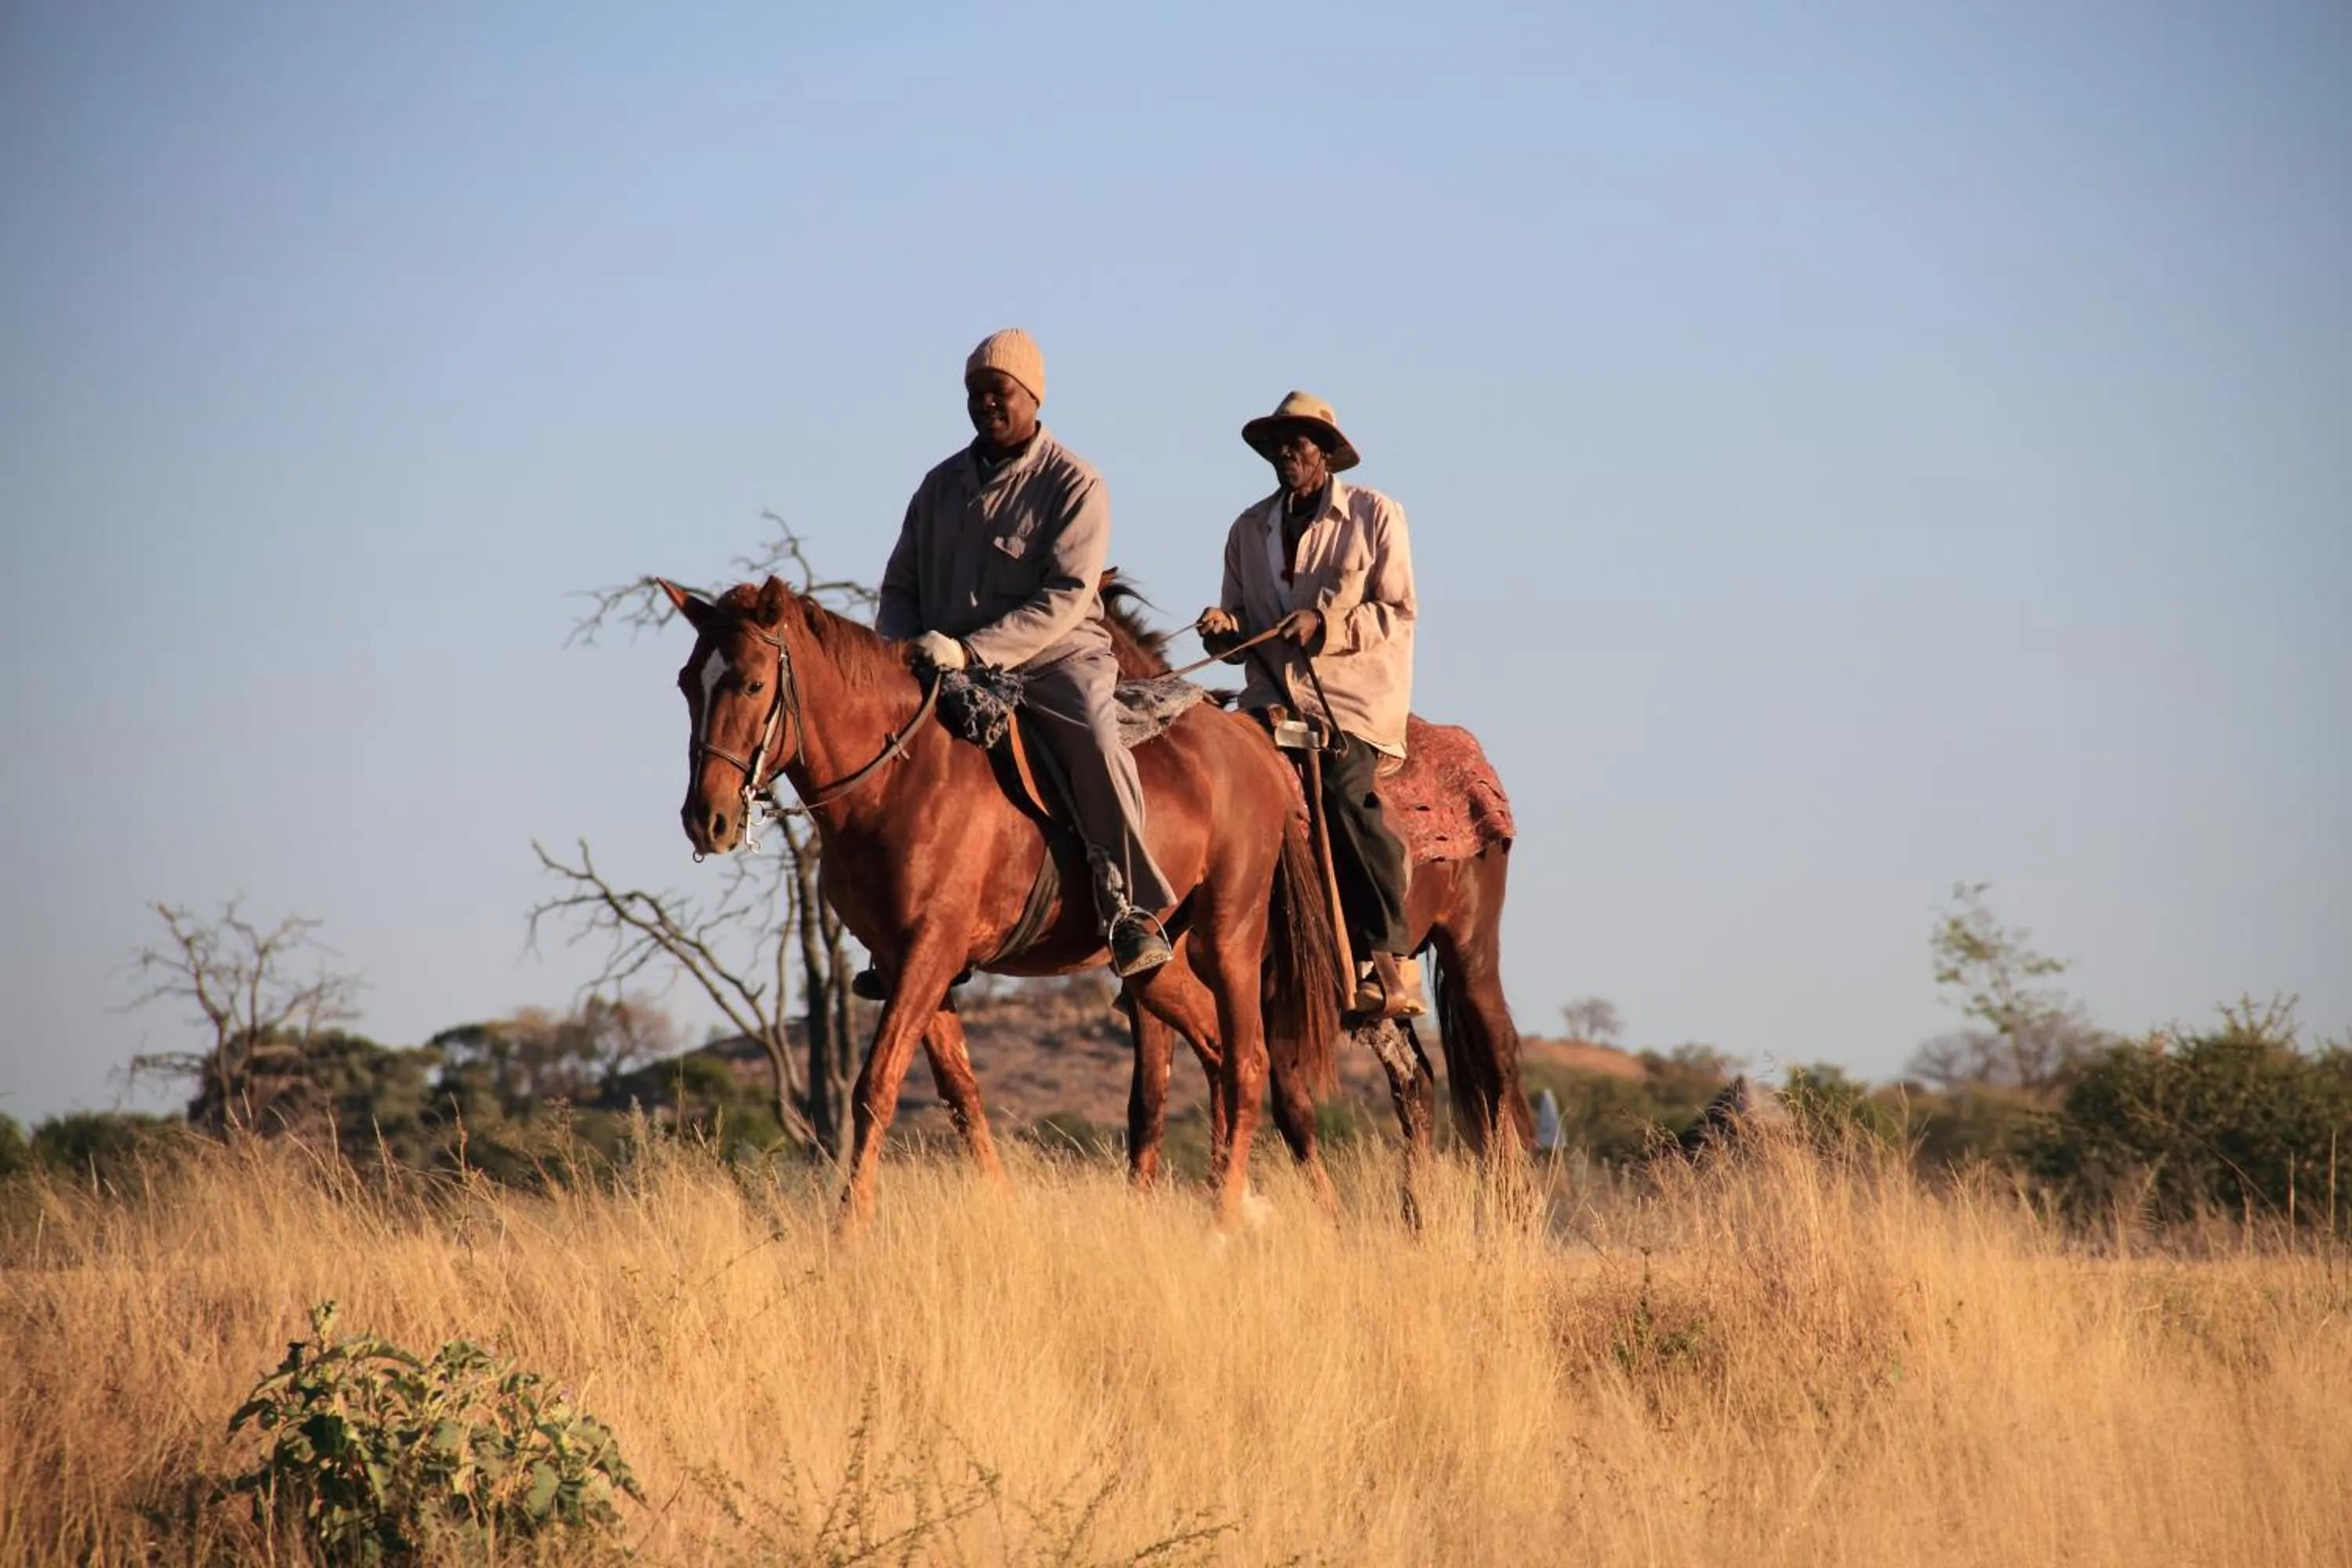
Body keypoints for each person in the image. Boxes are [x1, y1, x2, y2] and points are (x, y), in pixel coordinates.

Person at [877, 328, 1176, 978]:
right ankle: (888, 924)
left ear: (1032, 396)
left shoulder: (1076, 482)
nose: (986, 403)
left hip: (1053, 658)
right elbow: (900, 587)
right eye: (975, 393)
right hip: (945, 661)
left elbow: (1068, 595)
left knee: (1097, 738)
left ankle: (1132, 909)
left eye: (999, 391)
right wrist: (900, 653)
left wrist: (972, 649)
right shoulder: (937, 487)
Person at [1197, 390, 1421, 1016]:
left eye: (1297, 441)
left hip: (1349, 703)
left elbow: (1398, 611)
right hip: (1269, 700)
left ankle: (1391, 959)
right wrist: (1222, 629)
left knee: (1347, 792)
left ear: (1326, 452)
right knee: (1202, 776)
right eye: (1278, 443)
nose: (1286, 452)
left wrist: (1325, 628)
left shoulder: (1376, 514)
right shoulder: (1248, 528)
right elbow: (1239, 631)